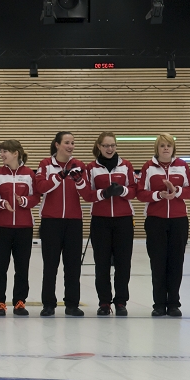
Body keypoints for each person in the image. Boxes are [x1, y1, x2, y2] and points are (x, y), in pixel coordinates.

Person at [137, 133, 190, 317]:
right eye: (162, 145)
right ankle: (159, 304)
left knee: (176, 262)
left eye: (168, 145)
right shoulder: (149, 167)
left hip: (178, 220)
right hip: (156, 220)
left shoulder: (182, 166)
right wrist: (159, 195)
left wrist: (176, 191)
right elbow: (140, 193)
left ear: (173, 148)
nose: (165, 149)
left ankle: (173, 304)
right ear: (157, 148)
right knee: (158, 262)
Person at [81, 132, 136, 317]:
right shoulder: (91, 168)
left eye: (112, 145)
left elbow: (135, 190)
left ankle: (121, 301)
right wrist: (104, 193)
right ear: (99, 146)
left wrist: (122, 190)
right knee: (102, 264)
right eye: (106, 146)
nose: (109, 149)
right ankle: (104, 302)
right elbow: (87, 194)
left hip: (123, 220)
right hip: (100, 220)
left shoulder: (126, 165)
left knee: (123, 263)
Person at [35, 131, 88, 317]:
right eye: (67, 142)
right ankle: (48, 304)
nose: (70, 146)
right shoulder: (45, 164)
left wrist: (78, 179)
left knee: (73, 265)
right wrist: (60, 176)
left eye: (73, 143)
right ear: (57, 145)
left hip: (73, 221)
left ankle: (72, 304)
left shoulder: (80, 165)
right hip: (51, 221)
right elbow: (40, 187)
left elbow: (87, 194)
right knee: (50, 264)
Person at [0, 140, 40, 317]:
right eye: (1, 151)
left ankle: (20, 302)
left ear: (16, 153)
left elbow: (36, 197)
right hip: (2, 227)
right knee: (0, 268)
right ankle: (0, 303)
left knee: (22, 267)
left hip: (24, 227)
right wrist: (2, 203)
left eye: (5, 151)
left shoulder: (29, 174)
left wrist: (24, 201)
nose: (2, 154)